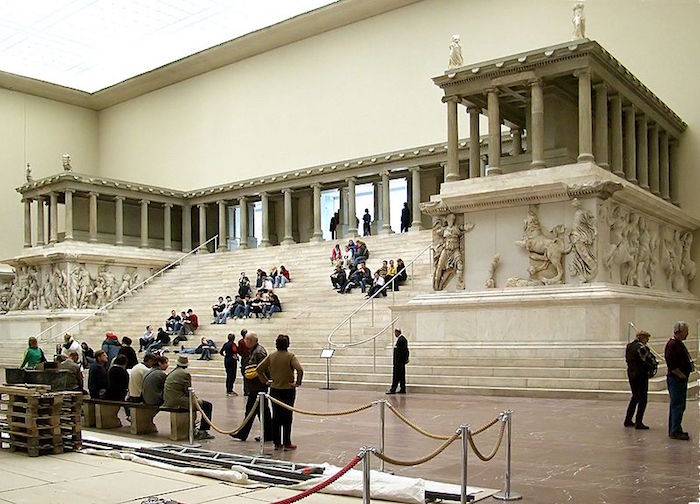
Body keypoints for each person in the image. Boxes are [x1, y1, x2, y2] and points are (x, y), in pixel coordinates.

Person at [256, 334, 304, 451]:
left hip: (275, 389)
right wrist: (297, 383)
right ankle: (287, 442)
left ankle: (277, 443)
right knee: (287, 416)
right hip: (288, 390)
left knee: (276, 416)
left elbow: (259, 369)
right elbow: (299, 369)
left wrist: (266, 381)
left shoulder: (272, 356)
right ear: (288, 344)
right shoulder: (290, 356)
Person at [231, 332, 272, 442]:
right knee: (260, 411)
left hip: (258, 386)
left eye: (246, 340)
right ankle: (267, 434)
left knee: (255, 410)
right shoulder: (255, 350)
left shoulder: (259, 352)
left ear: (251, 341)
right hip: (255, 386)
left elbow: (264, 368)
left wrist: (265, 381)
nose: (245, 342)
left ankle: (244, 433)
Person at [163, 355, 214, 440]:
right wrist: (196, 400)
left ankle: (194, 427)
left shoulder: (173, 372)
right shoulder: (185, 374)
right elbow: (188, 391)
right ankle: (203, 431)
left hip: (169, 399)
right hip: (179, 401)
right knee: (207, 405)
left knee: (198, 403)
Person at [664, 321, 694, 440]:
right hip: (676, 379)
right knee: (677, 405)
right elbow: (671, 364)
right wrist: (681, 375)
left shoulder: (678, 343)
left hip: (679, 378)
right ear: (680, 332)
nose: (687, 334)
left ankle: (675, 428)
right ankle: (675, 430)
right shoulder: (672, 345)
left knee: (678, 405)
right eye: (686, 331)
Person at [624, 330, 656, 429]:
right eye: (647, 338)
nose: (647, 340)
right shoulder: (642, 347)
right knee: (643, 398)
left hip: (631, 373)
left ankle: (628, 419)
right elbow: (649, 359)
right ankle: (639, 421)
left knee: (635, 397)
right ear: (642, 337)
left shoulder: (629, 346)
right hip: (641, 375)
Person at [386, 328, 409, 394]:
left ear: (398, 332)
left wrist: (404, 359)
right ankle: (402, 389)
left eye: (395, 333)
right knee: (401, 376)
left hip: (399, 362)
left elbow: (404, 351)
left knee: (396, 376)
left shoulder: (401, 340)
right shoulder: (402, 339)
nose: (394, 334)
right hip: (400, 362)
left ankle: (393, 389)